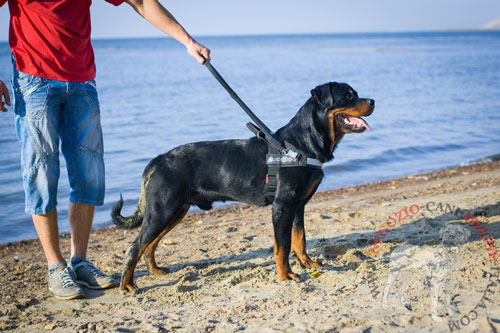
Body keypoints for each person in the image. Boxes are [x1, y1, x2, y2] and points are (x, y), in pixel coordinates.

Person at [0, 0, 210, 300]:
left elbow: (141, 2)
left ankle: (80, 262)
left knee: (89, 177)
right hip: (33, 80)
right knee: (41, 176)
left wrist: (187, 41)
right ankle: (55, 266)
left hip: (82, 82)